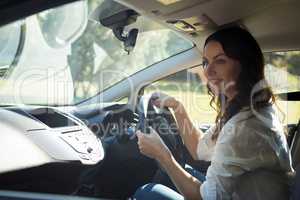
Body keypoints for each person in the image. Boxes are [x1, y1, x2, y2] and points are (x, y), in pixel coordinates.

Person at [133, 26, 294, 200]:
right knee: (171, 174)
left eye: (220, 61)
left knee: (147, 192)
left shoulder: (244, 128)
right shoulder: (249, 107)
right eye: (206, 62)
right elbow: (199, 150)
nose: (208, 72)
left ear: (245, 65)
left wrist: (162, 155)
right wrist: (177, 107)